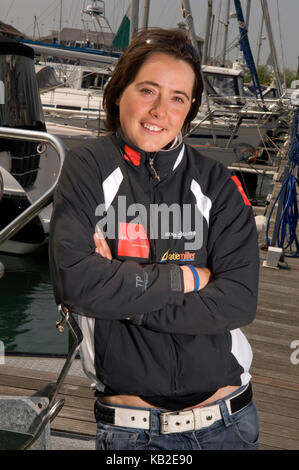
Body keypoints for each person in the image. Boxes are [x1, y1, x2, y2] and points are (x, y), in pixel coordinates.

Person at [49, 28, 260, 450]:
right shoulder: (88, 167)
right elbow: (77, 283)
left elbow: (238, 300)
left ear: (190, 109)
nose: (160, 110)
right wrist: (188, 279)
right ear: (120, 90)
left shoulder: (217, 184)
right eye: (148, 90)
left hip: (228, 421)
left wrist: (124, 299)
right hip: (133, 433)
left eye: (178, 98)